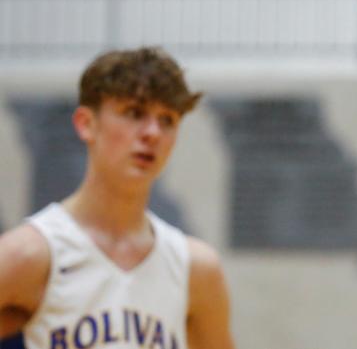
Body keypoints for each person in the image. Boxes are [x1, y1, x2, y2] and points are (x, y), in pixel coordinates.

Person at [0, 47, 235, 349]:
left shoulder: (196, 270)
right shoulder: (30, 254)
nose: (152, 133)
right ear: (86, 124)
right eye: (134, 113)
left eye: (167, 120)